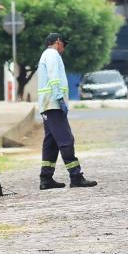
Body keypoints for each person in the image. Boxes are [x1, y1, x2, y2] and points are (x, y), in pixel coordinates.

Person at [34, 32, 98, 190]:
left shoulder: (46, 55)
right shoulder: (52, 55)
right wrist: (60, 98)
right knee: (66, 140)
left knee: (51, 143)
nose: (64, 48)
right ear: (57, 42)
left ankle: (46, 178)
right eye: (64, 44)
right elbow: (54, 78)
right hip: (53, 104)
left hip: (47, 105)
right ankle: (76, 176)